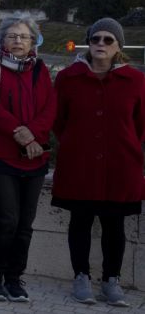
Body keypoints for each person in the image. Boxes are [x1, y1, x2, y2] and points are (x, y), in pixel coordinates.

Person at [51, 18, 145, 308]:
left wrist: (122, 144)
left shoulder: (137, 80)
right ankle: (81, 277)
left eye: (108, 40)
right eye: (95, 39)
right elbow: (59, 120)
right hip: (80, 164)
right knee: (80, 221)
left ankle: (111, 280)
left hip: (120, 165)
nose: (100, 44)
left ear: (119, 46)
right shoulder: (68, 78)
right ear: (88, 42)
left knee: (114, 225)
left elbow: (140, 125)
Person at [0, 17, 55, 302]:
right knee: (7, 219)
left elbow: (50, 107)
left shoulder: (40, 69)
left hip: (34, 158)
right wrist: (21, 133)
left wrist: (32, 135)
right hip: (0, 157)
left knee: (25, 224)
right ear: (1, 40)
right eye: (11, 36)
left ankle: (14, 278)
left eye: (24, 37)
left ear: (33, 41)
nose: (18, 41)